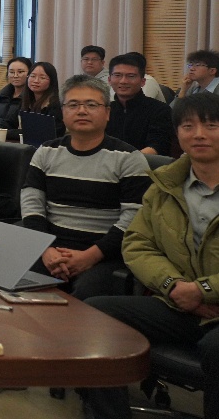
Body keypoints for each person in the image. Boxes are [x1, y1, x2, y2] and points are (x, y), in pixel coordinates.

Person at [79, 92, 219, 419]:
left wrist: (203, 290)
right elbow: (137, 244)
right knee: (95, 314)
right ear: (177, 134)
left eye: (211, 126)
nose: (199, 134)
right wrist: (174, 285)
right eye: (188, 126)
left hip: (208, 302)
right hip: (180, 302)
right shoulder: (164, 186)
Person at [21, 75, 151, 300]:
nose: (82, 111)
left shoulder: (129, 158)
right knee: (11, 281)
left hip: (105, 253)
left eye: (91, 105)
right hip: (50, 246)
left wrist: (91, 256)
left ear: (107, 112)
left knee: (87, 295)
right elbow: (32, 203)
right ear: (63, 112)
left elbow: (134, 218)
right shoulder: (46, 151)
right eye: (73, 105)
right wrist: (45, 248)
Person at [107, 52, 174, 156]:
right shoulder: (105, 109)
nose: (123, 81)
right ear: (109, 80)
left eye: (131, 76)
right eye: (117, 75)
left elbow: (158, 146)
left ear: (143, 81)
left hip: (147, 163)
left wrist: (126, 161)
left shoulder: (160, 110)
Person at [0, 61, 64, 141]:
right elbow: (10, 122)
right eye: (32, 76)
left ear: (52, 81)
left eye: (42, 78)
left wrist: (6, 133)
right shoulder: (25, 101)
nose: (36, 81)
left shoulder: (55, 105)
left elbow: (36, 132)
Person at [0, 56, 31, 135]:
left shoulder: (31, 98)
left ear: (30, 74)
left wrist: (1, 132)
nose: (15, 76)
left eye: (20, 72)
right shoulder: (1, 96)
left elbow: (28, 130)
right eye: (11, 72)